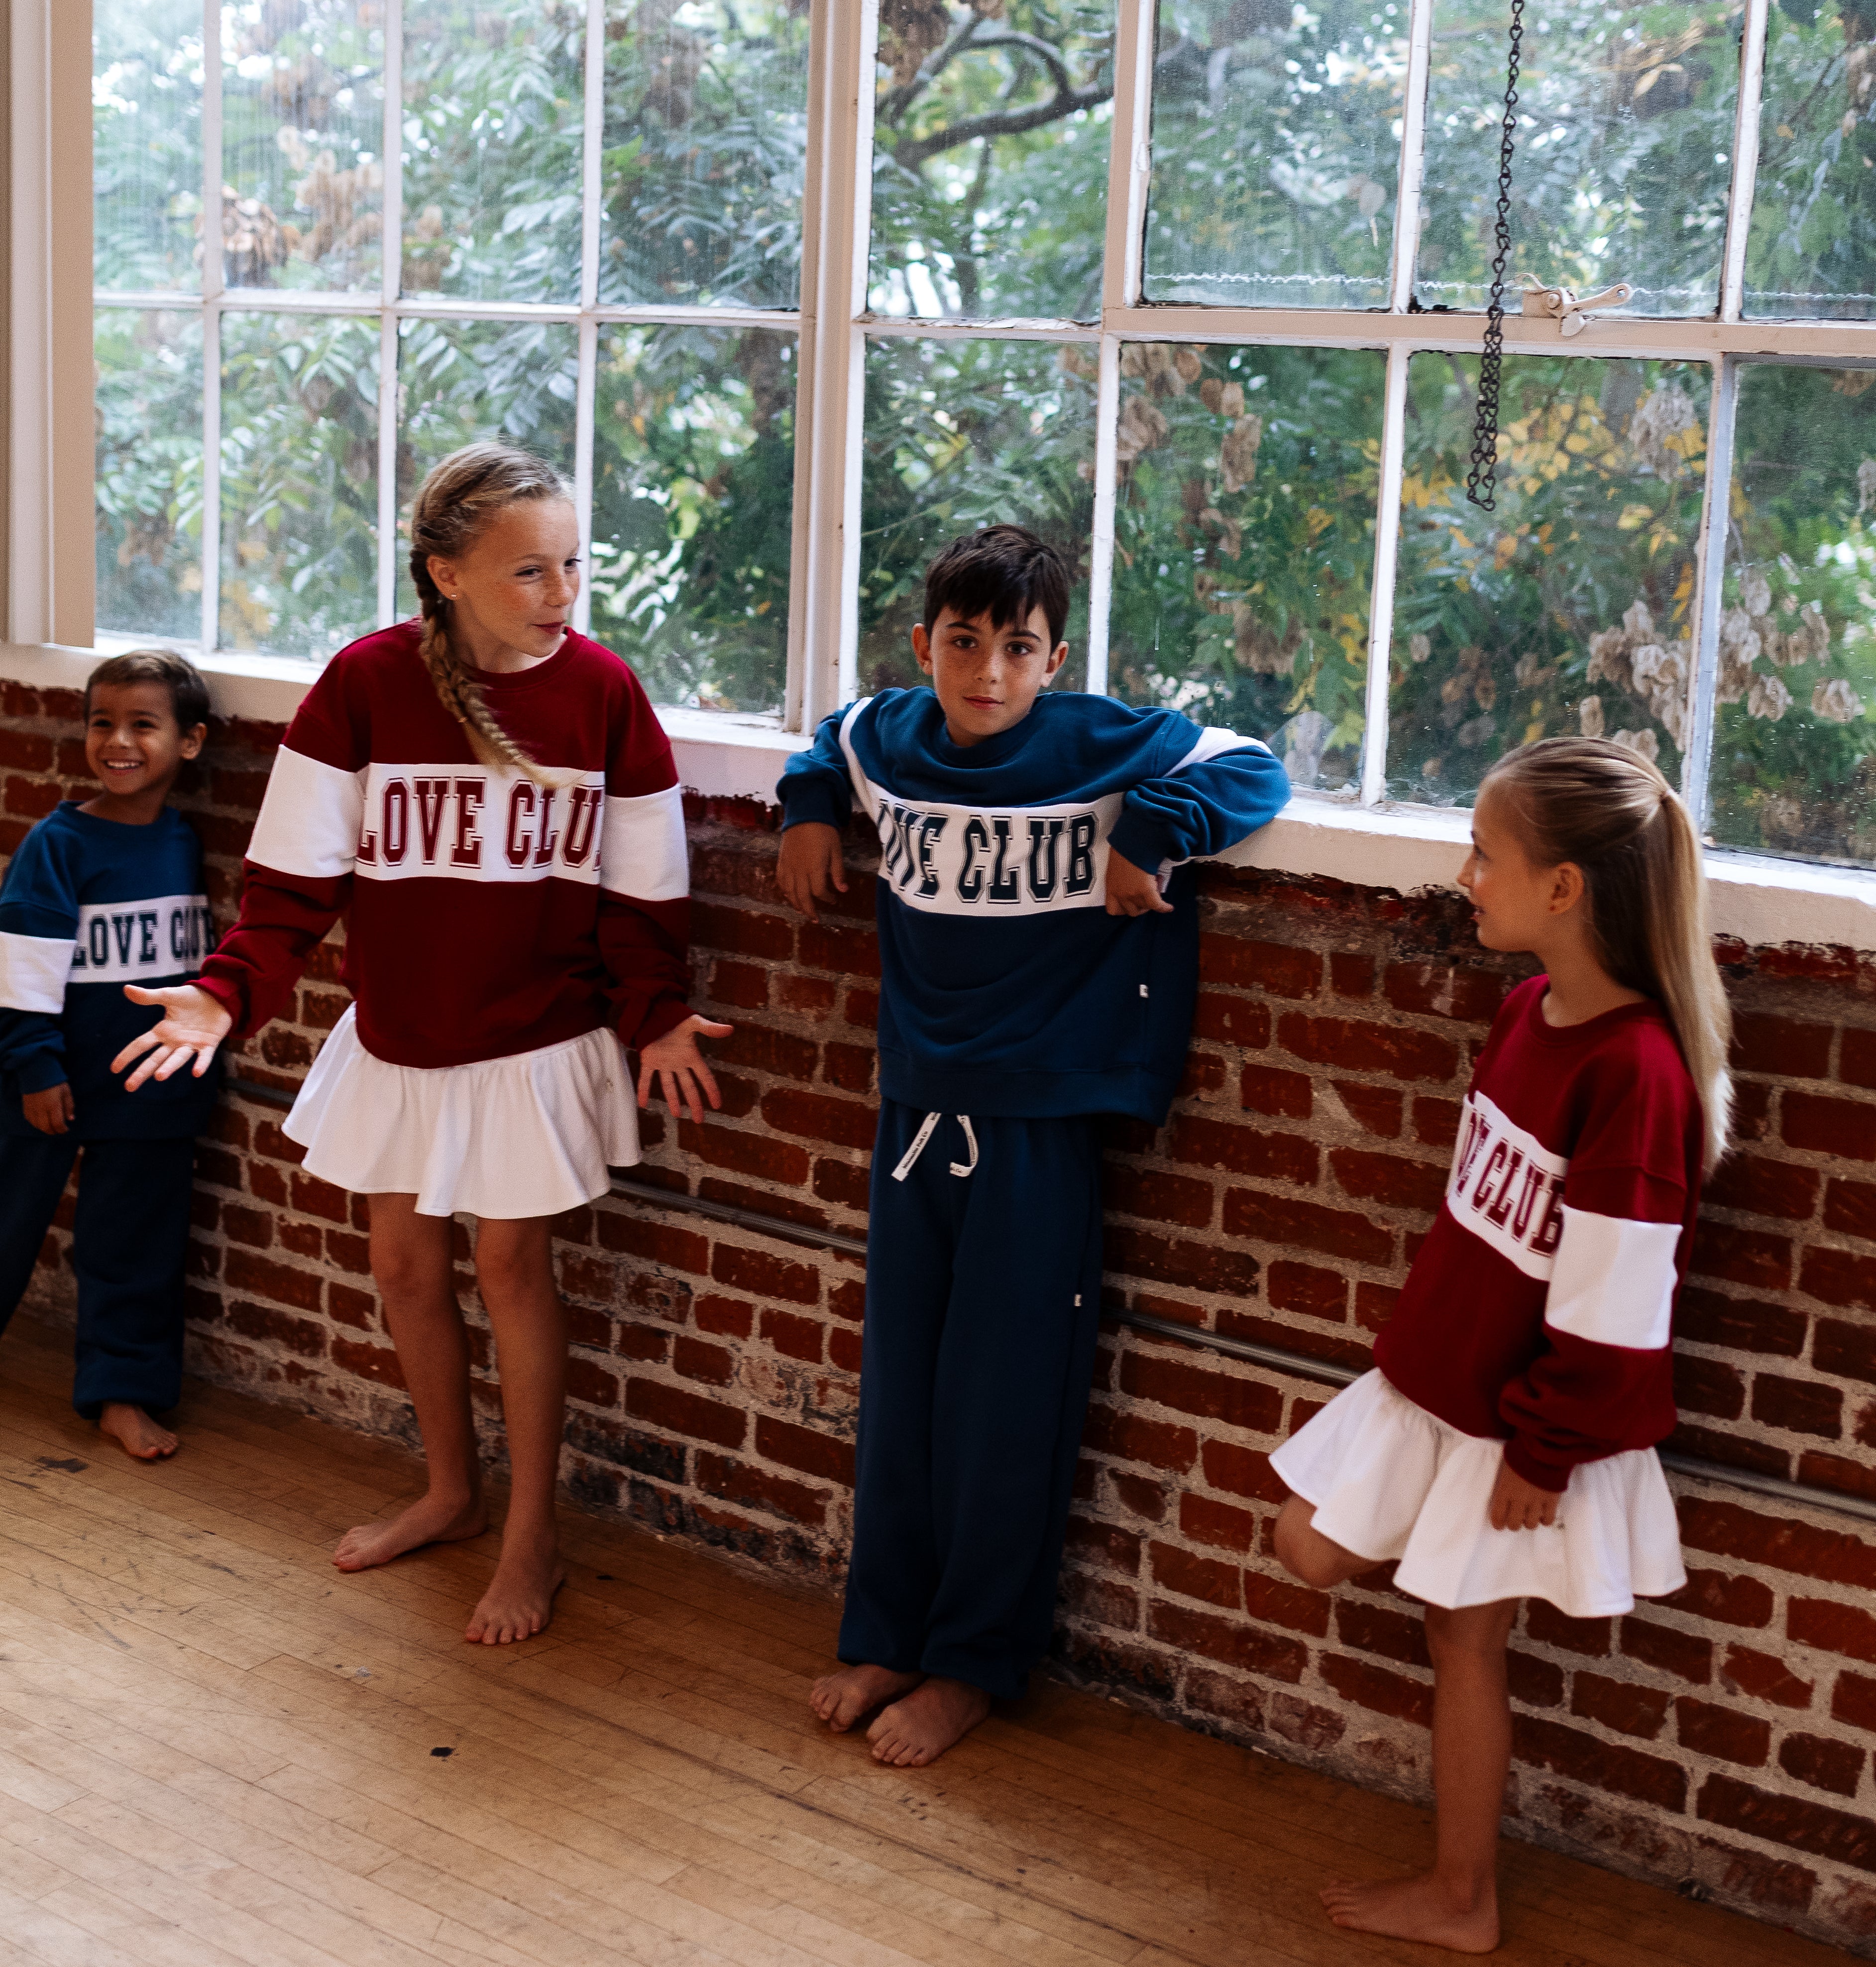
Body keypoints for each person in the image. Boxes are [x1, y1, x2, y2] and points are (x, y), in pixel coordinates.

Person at [114, 443, 729, 1645]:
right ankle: (452, 1491)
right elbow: (292, 884)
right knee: (402, 1266)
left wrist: (653, 1010)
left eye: (573, 565)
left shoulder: (604, 693)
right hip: (401, 1035)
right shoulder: (364, 684)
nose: (562, 592)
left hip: (535, 1039)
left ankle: (533, 1532)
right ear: (446, 574)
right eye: (529, 570)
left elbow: (644, 889)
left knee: (510, 1268)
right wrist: (225, 995)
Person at [776, 524, 1291, 1767]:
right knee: (901, 1393)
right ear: (924, 646)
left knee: (1005, 1404)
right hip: (915, 1105)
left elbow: (1254, 767)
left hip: (1039, 1121)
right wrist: (806, 806)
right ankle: (887, 1632)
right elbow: (829, 738)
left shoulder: (1097, 741)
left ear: (1053, 660)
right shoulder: (891, 735)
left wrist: (1154, 829)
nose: (988, 671)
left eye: (1017, 648)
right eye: (964, 643)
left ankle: (971, 1662)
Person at [1270, 736, 1732, 1954]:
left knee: (1461, 1633)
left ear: (1563, 886)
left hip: (1514, 1417)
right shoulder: (1528, 1009)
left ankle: (1462, 1895)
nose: (1465, 875)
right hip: (1438, 1377)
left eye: (1485, 853)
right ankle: (1460, 1886)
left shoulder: (1637, 1073)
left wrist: (1545, 1447)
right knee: (1309, 1543)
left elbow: (1618, 1300)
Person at [0, 650, 218, 1460]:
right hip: (46, 1077)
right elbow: (21, 967)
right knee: (5, 1223)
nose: (118, 741)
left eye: (142, 725)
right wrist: (35, 1065)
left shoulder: (183, 843)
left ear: (190, 741)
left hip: (148, 1090)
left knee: (135, 1245)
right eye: (102, 723)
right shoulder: (59, 844)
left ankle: (121, 1392)